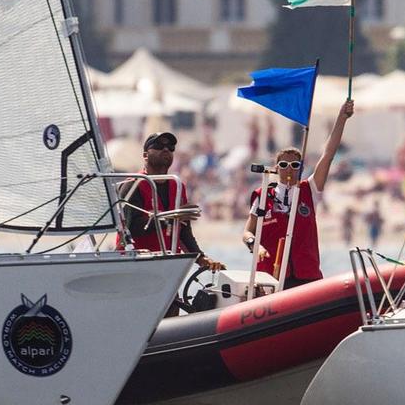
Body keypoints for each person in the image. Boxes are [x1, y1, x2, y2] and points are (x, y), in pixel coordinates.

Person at [241, 100, 355, 289]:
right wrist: (255, 245)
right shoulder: (263, 195)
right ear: (276, 168)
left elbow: (327, 155)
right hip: (273, 277)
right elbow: (247, 232)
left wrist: (341, 118)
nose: (289, 169)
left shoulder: (309, 190)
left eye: (295, 165)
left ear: (300, 168)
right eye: (284, 165)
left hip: (306, 277)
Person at [118, 131, 224, 272]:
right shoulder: (133, 185)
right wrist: (168, 218)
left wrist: (200, 258)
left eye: (171, 148)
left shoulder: (178, 186)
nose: (166, 149)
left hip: (167, 266)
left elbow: (183, 232)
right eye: (158, 146)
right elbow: (131, 229)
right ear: (145, 155)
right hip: (135, 265)